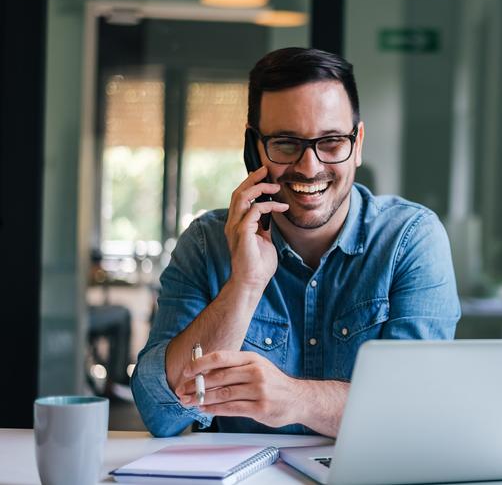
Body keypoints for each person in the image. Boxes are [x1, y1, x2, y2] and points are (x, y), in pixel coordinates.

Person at [132, 47, 461, 437]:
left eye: (332, 142)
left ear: (358, 143)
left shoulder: (410, 240)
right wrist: (245, 285)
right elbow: (159, 413)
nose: (309, 167)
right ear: (255, 148)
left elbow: (416, 412)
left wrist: (294, 398)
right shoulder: (206, 243)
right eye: (286, 143)